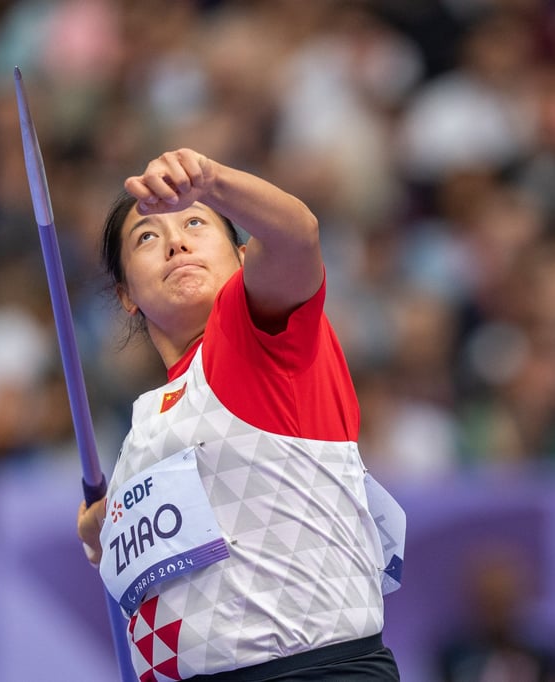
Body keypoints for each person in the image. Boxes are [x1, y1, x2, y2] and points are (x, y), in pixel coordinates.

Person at [77, 148, 401, 681]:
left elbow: (298, 236)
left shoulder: (249, 331)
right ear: (126, 295)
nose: (175, 240)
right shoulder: (148, 421)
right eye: (147, 237)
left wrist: (212, 181)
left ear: (245, 257)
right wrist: (108, 526)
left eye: (195, 221)